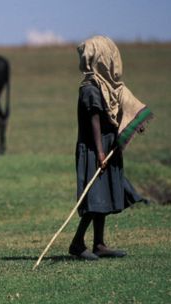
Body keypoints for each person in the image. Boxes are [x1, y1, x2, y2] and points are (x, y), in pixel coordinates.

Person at [69, 35, 146, 260]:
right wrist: (101, 153)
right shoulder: (90, 89)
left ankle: (99, 244)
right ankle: (76, 243)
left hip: (105, 146)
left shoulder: (107, 87)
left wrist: (132, 123)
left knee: (102, 195)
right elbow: (94, 120)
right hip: (95, 149)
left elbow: (115, 113)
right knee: (94, 197)